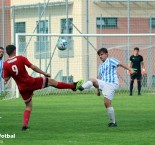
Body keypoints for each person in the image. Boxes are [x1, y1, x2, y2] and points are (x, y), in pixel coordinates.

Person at [2, 45, 83, 131]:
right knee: (51, 82)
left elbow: (6, 78)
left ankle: (25, 125)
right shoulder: (20, 58)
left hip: (22, 88)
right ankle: (73, 86)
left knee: (28, 106)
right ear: (14, 51)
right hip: (30, 82)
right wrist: (44, 73)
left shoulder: (5, 64)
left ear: (7, 53)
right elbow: (33, 67)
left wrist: (9, 75)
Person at [78, 48, 135, 127]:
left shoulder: (111, 60)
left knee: (92, 79)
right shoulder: (100, 66)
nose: (100, 56)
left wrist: (130, 69)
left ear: (106, 54)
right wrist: (98, 90)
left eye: (102, 54)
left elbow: (120, 64)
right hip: (104, 85)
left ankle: (81, 87)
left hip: (112, 84)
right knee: (107, 103)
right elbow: (98, 78)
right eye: (99, 55)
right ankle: (113, 122)